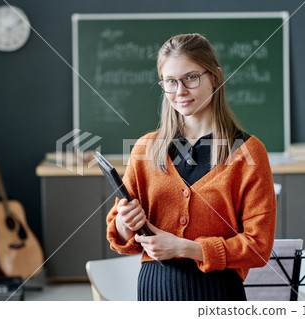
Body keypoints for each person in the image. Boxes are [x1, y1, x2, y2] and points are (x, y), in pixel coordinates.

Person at [106, 33, 276, 301]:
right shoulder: (145, 148)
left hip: (217, 293)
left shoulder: (249, 152)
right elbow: (120, 236)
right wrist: (127, 223)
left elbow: (258, 248)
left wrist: (184, 248)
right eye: (170, 82)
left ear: (215, 78)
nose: (180, 91)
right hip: (155, 292)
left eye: (191, 78)